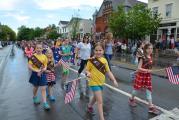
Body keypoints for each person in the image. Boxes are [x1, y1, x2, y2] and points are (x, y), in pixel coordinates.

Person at [85, 43, 118, 120]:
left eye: (100, 50)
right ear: (94, 51)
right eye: (96, 50)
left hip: (101, 82)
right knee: (100, 101)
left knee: (96, 97)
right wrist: (88, 73)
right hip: (93, 82)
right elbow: (86, 71)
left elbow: (108, 72)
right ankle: (102, 118)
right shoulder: (91, 60)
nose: (98, 52)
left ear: (103, 51)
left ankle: (89, 106)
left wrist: (114, 80)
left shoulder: (104, 60)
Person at [129, 43, 159, 115]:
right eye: (148, 48)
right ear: (145, 49)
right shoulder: (143, 57)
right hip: (141, 76)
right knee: (136, 90)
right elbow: (139, 68)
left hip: (147, 77)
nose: (150, 50)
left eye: (151, 48)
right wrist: (146, 70)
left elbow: (148, 67)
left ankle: (151, 107)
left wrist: (149, 70)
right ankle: (131, 99)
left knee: (149, 91)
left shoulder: (150, 57)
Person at [28, 43, 50, 110]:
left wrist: (45, 68)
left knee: (43, 88)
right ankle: (34, 97)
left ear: (42, 49)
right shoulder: (33, 57)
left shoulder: (44, 56)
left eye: (40, 48)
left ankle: (45, 103)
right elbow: (29, 66)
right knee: (36, 87)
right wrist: (35, 70)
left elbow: (45, 65)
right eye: (37, 48)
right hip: (35, 74)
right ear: (35, 49)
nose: (39, 49)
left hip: (42, 73)